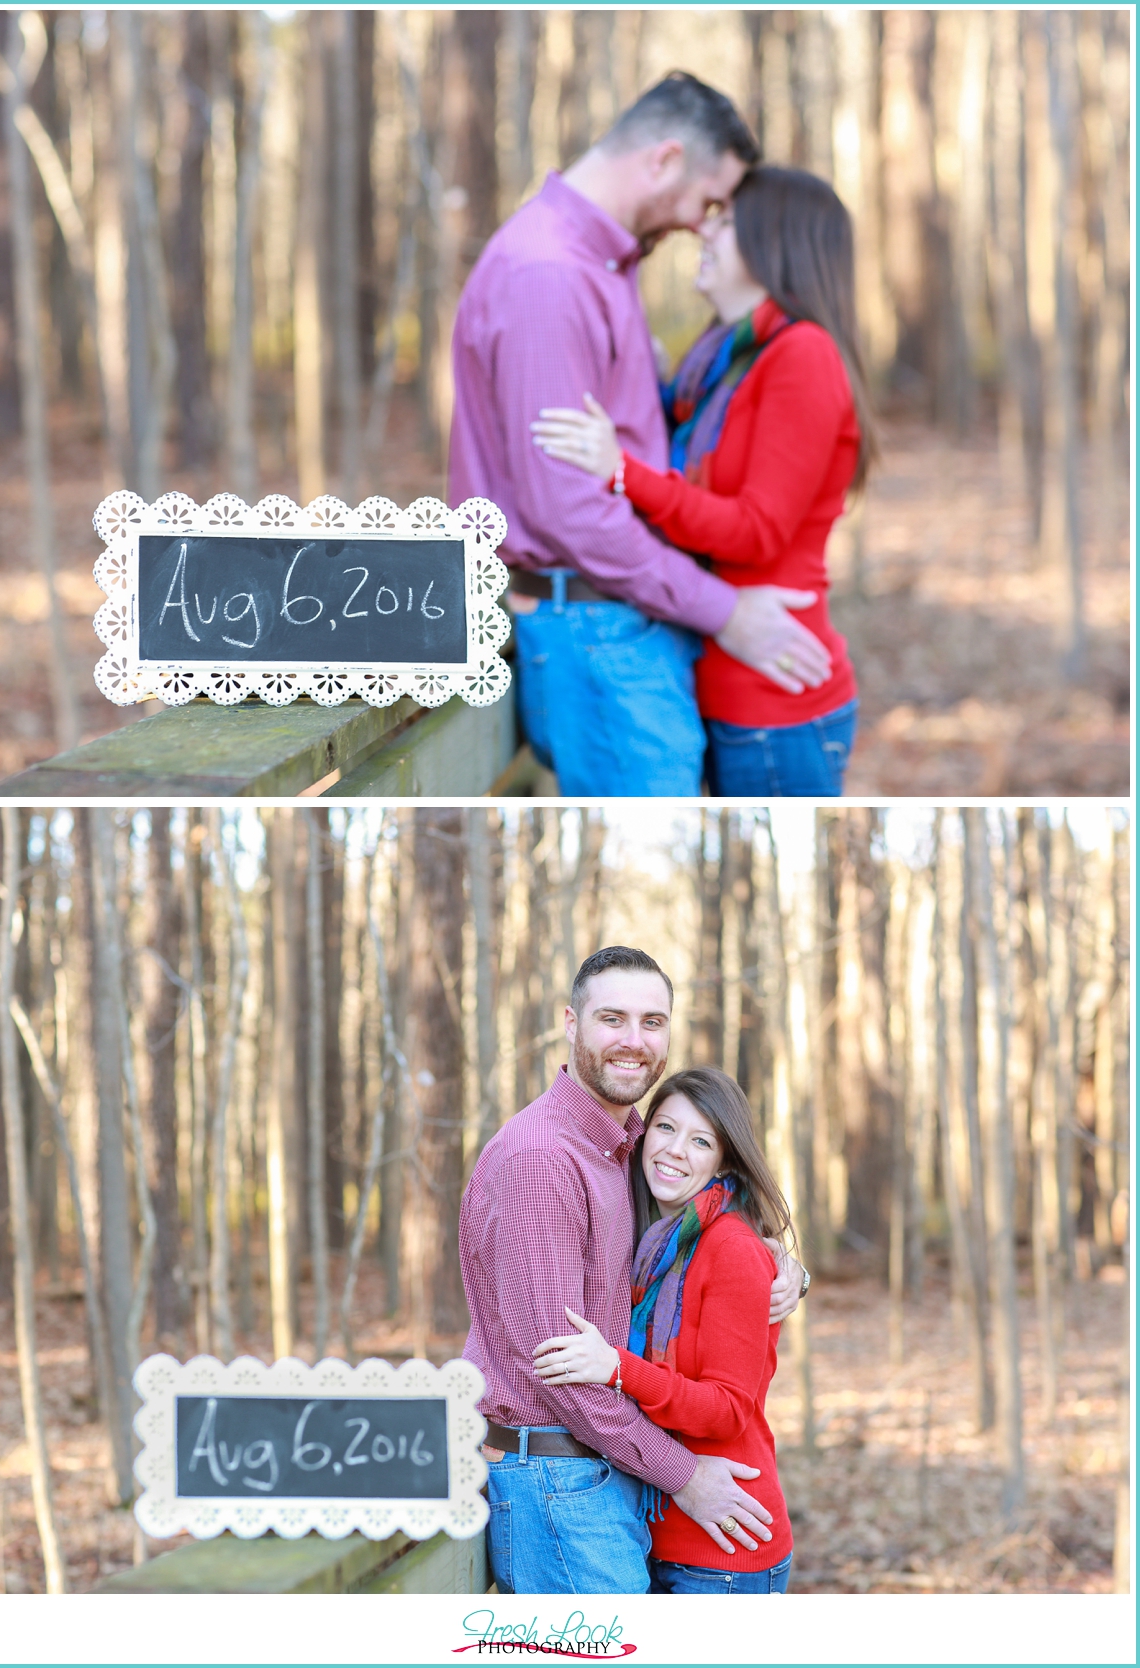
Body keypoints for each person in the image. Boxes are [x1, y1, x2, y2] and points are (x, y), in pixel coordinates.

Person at [448, 75, 832, 797]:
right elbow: (571, 509)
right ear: (662, 160)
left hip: (623, 622)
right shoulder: (549, 275)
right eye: (707, 201)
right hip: (600, 631)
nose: (701, 224)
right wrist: (725, 613)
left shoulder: (600, 265)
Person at [459, 946, 806, 1595]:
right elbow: (558, 1371)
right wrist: (684, 1474)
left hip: (605, 1474)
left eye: (652, 1022)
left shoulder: (628, 1147)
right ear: (571, 1022)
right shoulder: (543, 1160)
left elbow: (703, 1232)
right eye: (612, 1018)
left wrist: (782, 1267)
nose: (633, 1040)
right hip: (557, 1480)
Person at [531, 165, 875, 797]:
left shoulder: (803, 356)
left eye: (725, 220)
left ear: (776, 242)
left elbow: (756, 530)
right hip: (720, 682)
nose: (704, 231)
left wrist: (622, 473)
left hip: (776, 703)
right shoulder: (721, 360)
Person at [533, 1067, 795, 1594]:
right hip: (655, 1534)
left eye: (701, 1141)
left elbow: (726, 1410)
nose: (676, 1150)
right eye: (666, 1128)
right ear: (643, 1133)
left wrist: (616, 1368)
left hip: (724, 1550)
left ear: (725, 1159)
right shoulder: (655, 1245)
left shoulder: (732, 1248)